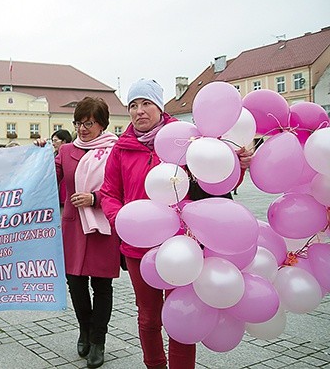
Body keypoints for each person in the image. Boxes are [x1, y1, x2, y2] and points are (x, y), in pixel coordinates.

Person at [100, 79, 252, 369]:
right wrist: (120, 220)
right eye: (133, 105)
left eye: (146, 103)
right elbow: (109, 192)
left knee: (183, 314)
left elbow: (213, 182)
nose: (139, 111)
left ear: (159, 106)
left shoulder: (185, 139)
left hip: (181, 245)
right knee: (148, 316)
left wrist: (238, 166)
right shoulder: (121, 149)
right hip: (137, 246)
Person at [37, 98, 119, 368]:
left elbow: (120, 188)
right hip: (73, 226)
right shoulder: (67, 151)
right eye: (78, 123)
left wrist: (95, 198)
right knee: (75, 283)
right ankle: (85, 328)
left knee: (101, 285)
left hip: (102, 225)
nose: (83, 128)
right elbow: (47, 176)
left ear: (101, 124)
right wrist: (39, 155)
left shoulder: (114, 151)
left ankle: (98, 340)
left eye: (89, 123)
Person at [51, 129, 73, 208]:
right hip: (56, 199)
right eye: (52, 141)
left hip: (68, 199)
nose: (53, 144)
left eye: (55, 141)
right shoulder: (53, 155)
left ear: (64, 141)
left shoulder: (72, 155)